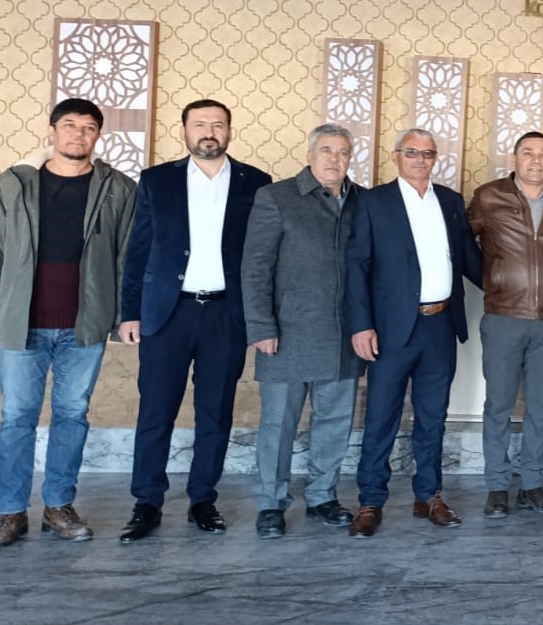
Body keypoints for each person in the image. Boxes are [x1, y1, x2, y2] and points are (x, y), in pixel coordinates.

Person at [0, 99, 137, 549]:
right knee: (17, 417)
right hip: (21, 321)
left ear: (98, 135)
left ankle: (58, 506)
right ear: (51, 131)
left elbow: (127, 257)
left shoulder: (119, 188)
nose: (78, 134)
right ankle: (10, 512)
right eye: (69, 125)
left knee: (72, 415)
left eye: (88, 127)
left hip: (84, 324)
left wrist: (124, 315)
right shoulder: (12, 184)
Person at [117, 99, 270, 542]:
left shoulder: (256, 183)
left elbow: (264, 257)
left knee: (215, 411)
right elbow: (138, 252)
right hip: (167, 313)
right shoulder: (156, 180)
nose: (209, 131)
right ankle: (147, 502)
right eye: (199, 124)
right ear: (183, 131)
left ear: (230, 131)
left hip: (226, 313)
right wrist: (130, 312)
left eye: (218, 124)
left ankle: (203, 499)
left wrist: (260, 318)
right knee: (155, 410)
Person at [345, 129, 483, 538]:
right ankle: (371, 501)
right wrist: (361, 325)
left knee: (433, 416)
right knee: (381, 416)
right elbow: (357, 266)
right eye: (412, 152)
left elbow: (470, 259)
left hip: (440, 326)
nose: (420, 159)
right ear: (396, 156)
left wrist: (514, 289)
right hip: (391, 329)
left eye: (428, 153)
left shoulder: (450, 201)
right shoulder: (373, 202)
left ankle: (429, 496)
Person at [240, 123, 363, 539]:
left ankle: (322, 496)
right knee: (279, 425)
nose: (335, 158)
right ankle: (270, 503)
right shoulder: (276, 197)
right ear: (310, 155)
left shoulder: (361, 201)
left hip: (343, 334)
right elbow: (255, 267)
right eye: (326, 150)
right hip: (286, 334)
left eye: (343, 152)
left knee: (335, 422)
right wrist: (261, 326)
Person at [468, 131, 543, 520]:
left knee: (541, 407)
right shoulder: (488, 196)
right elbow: (461, 245)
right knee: (498, 405)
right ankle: (497, 487)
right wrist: (491, 280)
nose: (536, 160)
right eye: (528, 152)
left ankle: (532, 484)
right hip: (503, 318)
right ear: (514, 158)